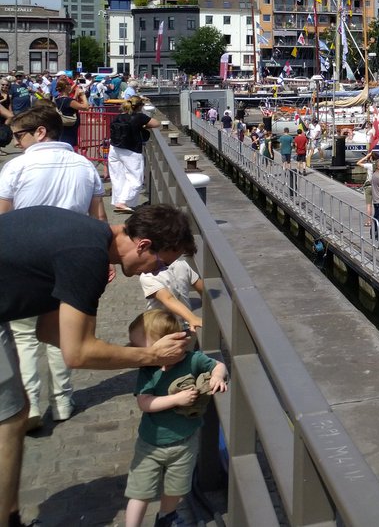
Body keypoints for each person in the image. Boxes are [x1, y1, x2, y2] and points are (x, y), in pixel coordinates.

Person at [1, 204, 196, 527]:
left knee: (16, 412)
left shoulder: (89, 239)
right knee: (8, 419)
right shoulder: (87, 257)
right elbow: (77, 355)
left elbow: (49, 331)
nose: (154, 273)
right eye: (160, 263)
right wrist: (151, 356)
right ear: (143, 245)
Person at [0, 103, 106, 435]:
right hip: (71, 262)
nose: (15, 143)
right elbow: (99, 220)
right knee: (62, 334)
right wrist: (101, 262)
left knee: (25, 338)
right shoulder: (85, 165)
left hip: (25, 264)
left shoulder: (16, 168)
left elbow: (3, 222)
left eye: (19, 135)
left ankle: (31, 405)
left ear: (40, 132)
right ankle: (62, 402)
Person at [122, 310, 227, 527]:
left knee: (176, 488)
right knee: (140, 491)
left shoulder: (192, 360)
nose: (133, 350)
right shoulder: (148, 370)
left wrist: (217, 376)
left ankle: (167, 517)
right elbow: (145, 403)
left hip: (184, 442)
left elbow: (218, 365)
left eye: (137, 345)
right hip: (151, 445)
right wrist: (177, 399)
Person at [109, 97, 161, 213]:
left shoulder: (118, 117)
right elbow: (156, 123)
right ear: (139, 107)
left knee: (118, 177)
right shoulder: (139, 117)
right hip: (131, 151)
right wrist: (143, 126)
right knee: (135, 178)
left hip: (114, 149)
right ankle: (123, 202)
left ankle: (119, 201)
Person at [140, 258, 204, 333]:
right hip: (166, 326)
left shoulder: (147, 275)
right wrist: (192, 318)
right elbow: (201, 288)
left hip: (168, 325)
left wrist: (192, 318)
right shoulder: (183, 265)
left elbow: (168, 299)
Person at [52, 76, 90, 151]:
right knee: (69, 147)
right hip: (70, 129)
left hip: (62, 128)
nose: (70, 85)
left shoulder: (57, 99)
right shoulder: (69, 101)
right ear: (66, 87)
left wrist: (75, 85)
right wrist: (82, 95)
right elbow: (86, 107)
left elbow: (67, 94)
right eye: (69, 84)